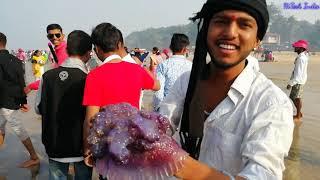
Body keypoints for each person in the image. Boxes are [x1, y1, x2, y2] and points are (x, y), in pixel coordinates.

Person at [158, 0, 294, 179]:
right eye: (221, 21)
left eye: (244, 24)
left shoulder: (271, 104)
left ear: (257, 41)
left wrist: (179, 163)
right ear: (206, 29)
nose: (230, 33)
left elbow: (262, 173)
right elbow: (160, 128)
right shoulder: (186, 82)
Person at [82, 23, 160, 168]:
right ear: (119, 44)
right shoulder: (136, 70)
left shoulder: (94, 76)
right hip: (134, 139)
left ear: (97, 49)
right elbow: (157, 85)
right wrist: (144, 67)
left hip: (108, 144)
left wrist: (87, 150)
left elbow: (90, 120)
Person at [35, 30, 93, 180]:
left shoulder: (47, 77)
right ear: (88, 53)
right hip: (81, 147)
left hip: (54, 144)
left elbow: (38, 108)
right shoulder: (89, 79)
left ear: (67, 50)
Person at [0, 32, 40, 168]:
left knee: (18, 129)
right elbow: (21, 82)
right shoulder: (16, 60)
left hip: (4, 102)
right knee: (0, 127)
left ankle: (34, 157)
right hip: (14, 100)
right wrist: (23, 101)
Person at [153, 33, 192, 110]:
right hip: (185, 110)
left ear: (170, 47)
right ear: (185, 49)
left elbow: (158, 92)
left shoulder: (163, 65)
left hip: (167, 109)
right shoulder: (191, 66)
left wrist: (158, 109)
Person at [287, 39, 309, 122]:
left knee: (297, 97)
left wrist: (291, 83)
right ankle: (299, 113)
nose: (294, 48)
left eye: (296, 47)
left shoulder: (301, 58)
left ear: (301, 48)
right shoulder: (302, 57)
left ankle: (298, 115)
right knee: (294, 97)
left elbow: (298, 73)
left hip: (298, 80)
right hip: (299, 80)